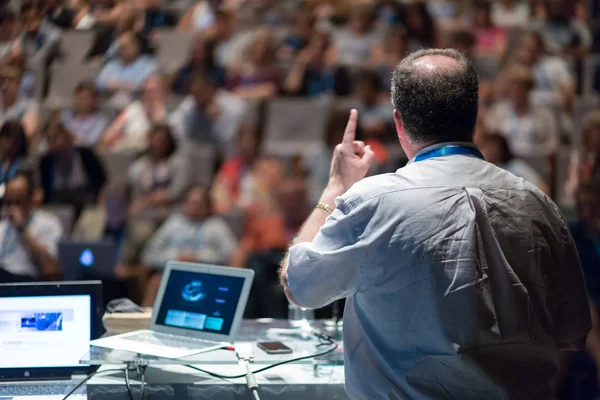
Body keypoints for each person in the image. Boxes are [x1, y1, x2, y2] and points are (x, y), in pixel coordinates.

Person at [279, 49, 591, 399]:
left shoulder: (373, 201)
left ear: (398, 123)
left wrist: (336, 187)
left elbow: (299, 286)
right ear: (474, 116)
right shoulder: (538, 203)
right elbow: (571, 333)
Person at [140, 186, 237, 306]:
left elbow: (231, 254)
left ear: (207, 205)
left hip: (207, 276)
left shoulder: (216, 225)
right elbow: (149, 255)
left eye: (198, 203)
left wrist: (198, 258)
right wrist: (175, 257)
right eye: (190, 202)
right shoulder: (173, 223)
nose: (194, 207)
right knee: (155, 282)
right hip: (173, 274)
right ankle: (147, 322)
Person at [232, 177, 310, 318]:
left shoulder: (317, 226)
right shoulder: (264, 225)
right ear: (279, 201)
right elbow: (241, 254)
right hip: (268, 292)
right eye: (286, 199)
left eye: (295, 198)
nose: (291, 204)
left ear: (304, 200)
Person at [486, 65, 558, 179]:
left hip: (534, 165)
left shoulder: (544, 115)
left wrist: (531, 152)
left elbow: (552, 145)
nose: (517, 91)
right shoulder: (499, 112)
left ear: (529, 89)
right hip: (504, 167)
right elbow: (492, 142)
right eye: (513, 87)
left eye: (521, 87)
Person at [0, 173, 62, 282]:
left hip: (30, 282)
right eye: (8, 203)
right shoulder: (2, 226)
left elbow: (50, 267)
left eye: (18, 202)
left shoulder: (48, 223)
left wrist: (22, 229)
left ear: (31, 199)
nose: (12, 209)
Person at [39, 121, 106, 216]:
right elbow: (46, 192)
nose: (54, 143)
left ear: (66, 135)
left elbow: (101, 180)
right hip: (58, 208)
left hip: (86, 205)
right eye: (49, 140)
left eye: (56, 137)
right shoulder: (46, 162)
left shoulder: (85, 155)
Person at [169, 72, 246, 153]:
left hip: (226, 153)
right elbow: (176, 129)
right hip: (199, 153)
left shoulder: (233, 105)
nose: (197, 97)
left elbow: (229, 139)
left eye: (200, 92)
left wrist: (218, 119)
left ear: (211, 88)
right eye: (194, 93)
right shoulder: (191, 104)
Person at [127, 124, 191, 215]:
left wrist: (151, 200)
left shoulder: (179, 162)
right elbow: (136, 195)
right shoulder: (138, 167)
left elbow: (177, 191)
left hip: (174, 210)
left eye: (163, 140)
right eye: (156, 139)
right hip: (145, 209)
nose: (159, 143)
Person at [101, 74, 171, 152]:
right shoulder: (133, 108)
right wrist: (112, 135)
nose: (148, 95)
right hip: (127, 149)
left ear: (163, 92)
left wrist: (156, 110)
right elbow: (112, 130)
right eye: (145, 91)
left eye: (152, 91)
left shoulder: (169, 112)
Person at [283, 31, 350, 97]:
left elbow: (344, 96)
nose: (317, 52)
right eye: (313, 48)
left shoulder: (337, 71)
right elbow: (290, 88)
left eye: (321, 48)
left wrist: (331, 68)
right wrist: (299, 65)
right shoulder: (305, 69)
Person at [211, 122, 260, 213]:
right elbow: (218, 194)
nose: (246, 145)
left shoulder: (268, 168)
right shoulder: (228, 167)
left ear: (257, 143)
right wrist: (236, 204)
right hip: (234, 213)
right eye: (242, 141)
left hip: (259, 217)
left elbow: (270, 201)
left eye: (250, 141)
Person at [479, 132, 549, 194]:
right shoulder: (483, 170)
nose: (489, 152)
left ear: (502, 149)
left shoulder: (515, 166)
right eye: (486, 148)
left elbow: (543, 188)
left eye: (492, 148)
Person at [226, 29, 282, 100]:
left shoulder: (274, 72)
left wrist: (247, 93)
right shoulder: (239, 68)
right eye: (256, 45)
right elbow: (232, 91)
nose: (259, 50)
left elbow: (270, 90)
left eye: (263, 47)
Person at [565, 110, 600, 203]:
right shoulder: (578, 158)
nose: (596, 137)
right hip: (583, 205)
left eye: (599, 132)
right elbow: (570, 189)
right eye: (593, 132)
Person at [60, 81, 109, 147]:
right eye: (80, 98)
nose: (82, 102)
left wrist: (71, 137)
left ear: (94, 100)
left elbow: (91, 142)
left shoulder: (100, 120)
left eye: (86, 98)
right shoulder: (66, 116)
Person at [0, 65, 39, 140]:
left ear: (18, 83)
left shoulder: (29, 105)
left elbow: (28, 132)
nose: (4, 86)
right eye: (2, 81)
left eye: (10, 81)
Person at [0, 120, 28, 186]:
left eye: (15, 140)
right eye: (7, 138)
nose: (10, 144)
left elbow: (38, 192)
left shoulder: (26, 164)